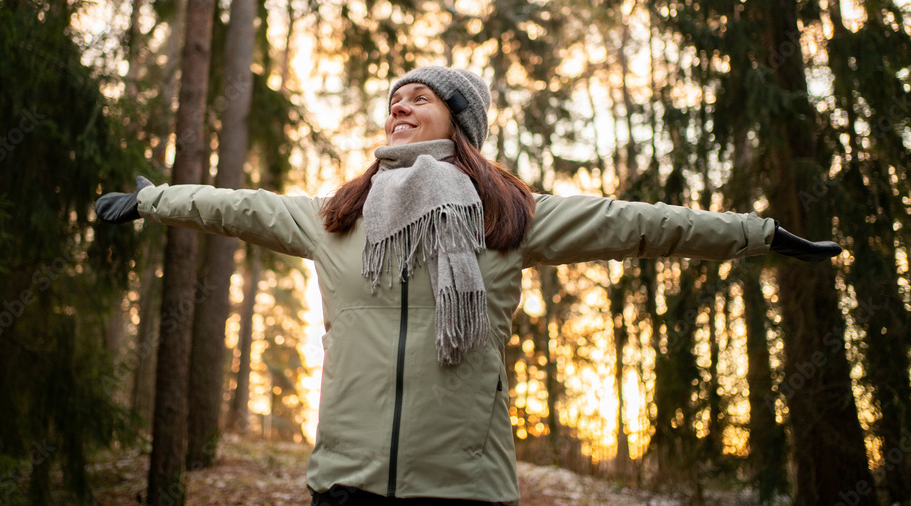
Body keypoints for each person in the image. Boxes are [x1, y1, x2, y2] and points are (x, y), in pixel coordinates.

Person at [96, 66, 840, 505]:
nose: (398, 107)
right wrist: (154, 199)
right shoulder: (335, 217)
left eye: (418, 98)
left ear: (460, 123)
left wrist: (762, 233)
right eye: (394, 100)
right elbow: (238, 206)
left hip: (463, 489)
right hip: (346, 485)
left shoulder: (509, 217)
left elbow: (638, 224)